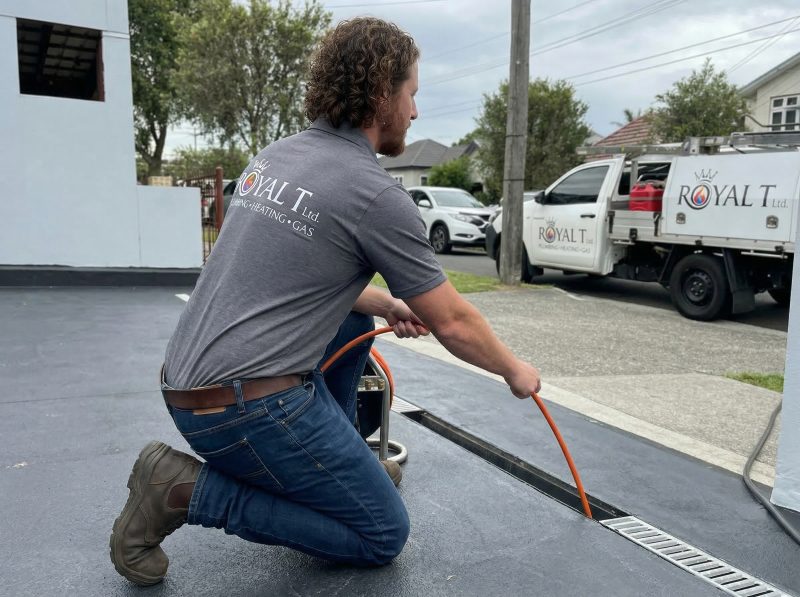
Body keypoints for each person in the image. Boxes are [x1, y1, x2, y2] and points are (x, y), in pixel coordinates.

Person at [109, 16, 541, 587]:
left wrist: (386, 303)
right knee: (380, 534)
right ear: (382, 93)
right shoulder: (375, 194)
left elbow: (296, 278)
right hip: (241, 411)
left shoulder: (277, 157)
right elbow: (454, 322)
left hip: (187, 386)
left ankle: (338, 464)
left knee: (357, 312)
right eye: (412, 95)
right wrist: (516, 371)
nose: (415, 112)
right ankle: (183, 491)